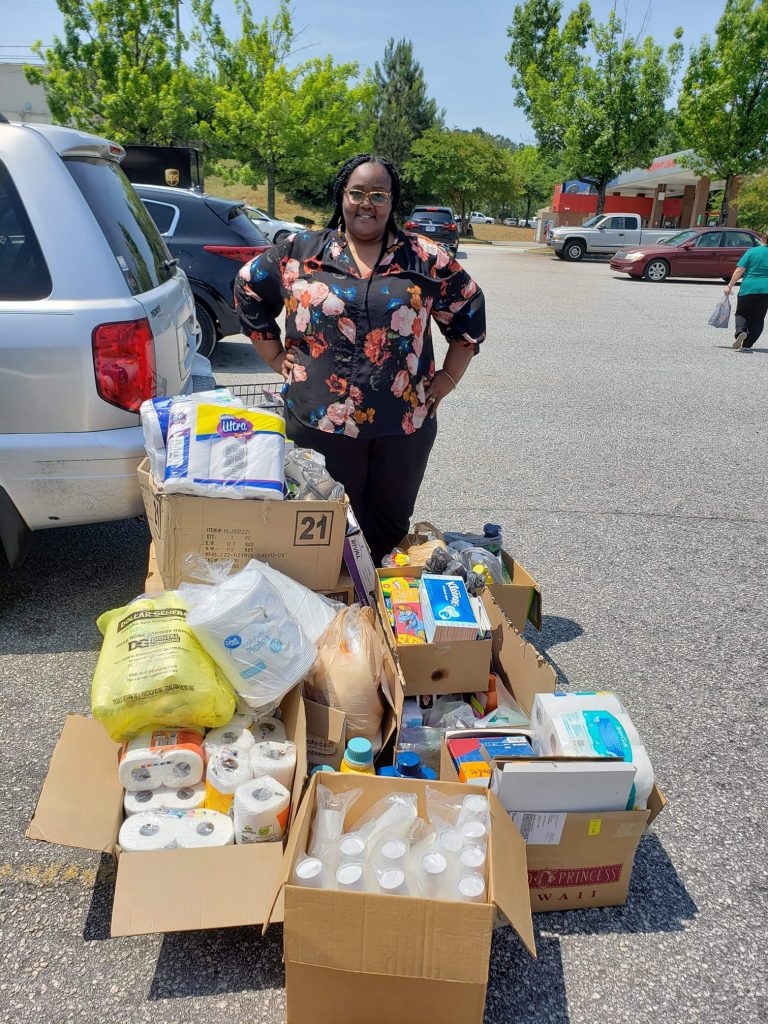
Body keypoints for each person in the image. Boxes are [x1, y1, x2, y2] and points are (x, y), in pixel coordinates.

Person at [234, 153, 486, 565]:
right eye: (356, 193)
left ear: (392, 201)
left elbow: (469, 310)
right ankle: (329, 616)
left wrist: (448, 380)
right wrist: (274, 353)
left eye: (378, 195)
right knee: (320, 531)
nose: (366, 203)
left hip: (403, 424)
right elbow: (247, 288)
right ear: (342, 196)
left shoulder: (426, 258)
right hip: (318, 420)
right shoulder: (301, 252)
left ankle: (376, 616)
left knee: (387, 532)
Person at [724, 232, 768, 350]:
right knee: (758, 318)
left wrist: (729, 286)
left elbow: (740, 270)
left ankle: (740, 332)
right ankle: (748, 344)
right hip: (766, 291)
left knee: (742, 313)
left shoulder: (752, 251)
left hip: (748, 288)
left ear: (761, 239)